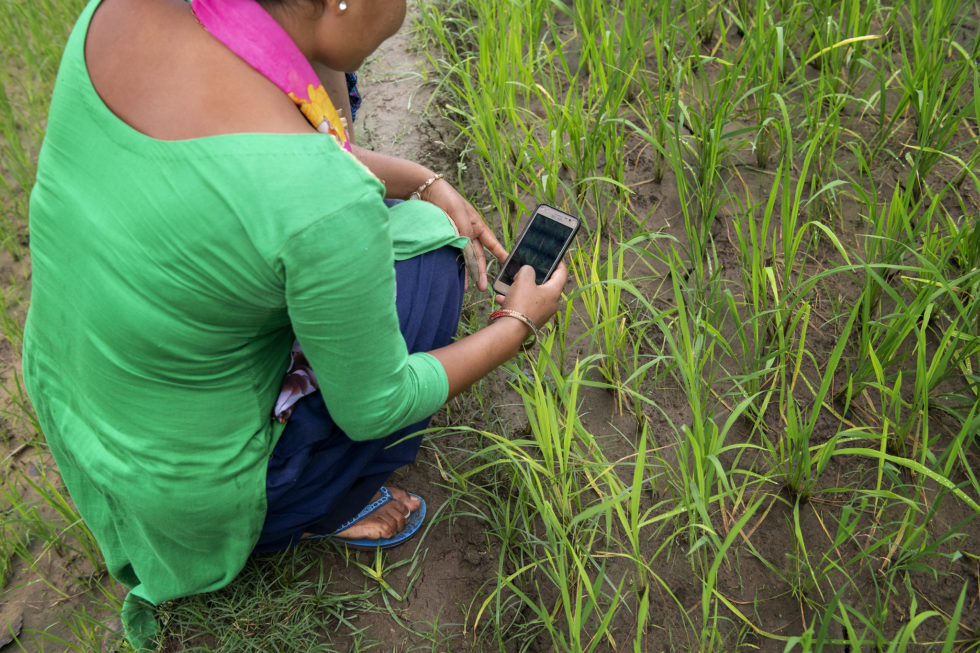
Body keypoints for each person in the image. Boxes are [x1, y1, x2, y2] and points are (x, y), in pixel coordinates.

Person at [21, 0, 568, 649]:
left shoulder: (115, 14)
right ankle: (321, 501)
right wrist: (517, 323)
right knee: (430, 252)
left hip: (78, 404)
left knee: (371, 179)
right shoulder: (320, 199)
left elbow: (271, 169)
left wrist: (425, 178)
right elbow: (376, 403)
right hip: (192, 499)